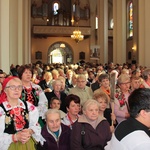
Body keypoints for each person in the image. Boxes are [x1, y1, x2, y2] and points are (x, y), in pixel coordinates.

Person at [0, 76, 43, 150]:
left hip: (28, 145)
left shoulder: (28, 107)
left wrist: (30, 131)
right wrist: (15, 137)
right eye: (12, 87)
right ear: (5, 90)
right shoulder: (1, 110)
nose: (17, 90)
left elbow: (36, 125)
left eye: (19, 87)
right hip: (9, 146)